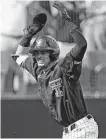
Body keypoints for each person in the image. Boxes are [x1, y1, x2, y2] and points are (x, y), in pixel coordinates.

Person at [11, 2, 98, 138]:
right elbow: (17, 56)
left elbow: (81, 45)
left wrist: (67, 20)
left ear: (52, 54)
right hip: (68, 132)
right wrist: (28, 36)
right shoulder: (38, 71)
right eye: (37, 53)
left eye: (43, 53)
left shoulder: (64, 67)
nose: (38, 56)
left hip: (82, 128)